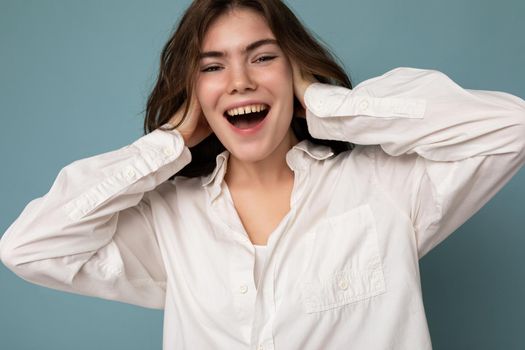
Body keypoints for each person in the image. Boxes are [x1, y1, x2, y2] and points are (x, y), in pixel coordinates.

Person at [0, 0, 524, 349]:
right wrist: (170, 141)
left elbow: (511, 126)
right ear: (194, 93)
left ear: (293, 70)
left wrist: (326, 103)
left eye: (263, 58)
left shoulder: (383, 187)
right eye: (212, 67)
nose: (240, 81)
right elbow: (28, 248)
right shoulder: (169, 220)